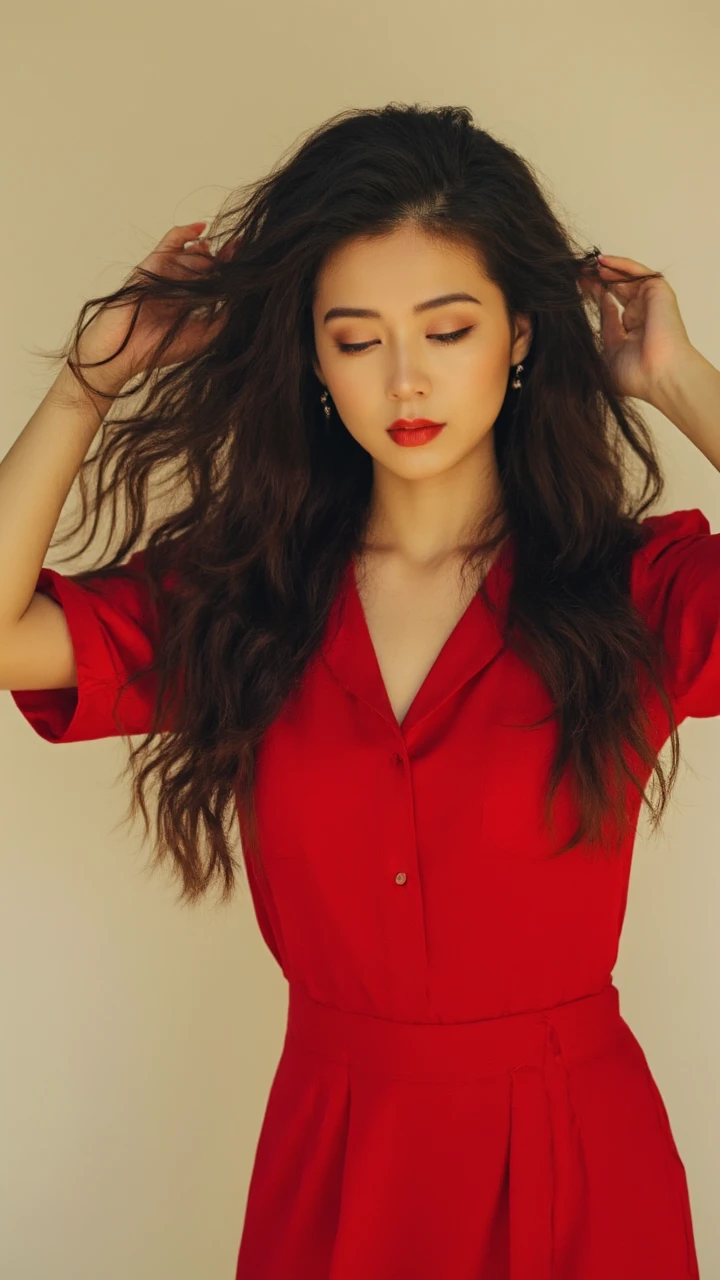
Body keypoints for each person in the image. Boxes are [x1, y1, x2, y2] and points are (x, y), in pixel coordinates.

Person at [2, 102, 717, 1279]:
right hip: (333, 1165)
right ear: (311, 356)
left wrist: (679, 377)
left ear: (522, 335)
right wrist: (92, 380)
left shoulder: (627, 592)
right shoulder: (242, 599)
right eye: (354, 336)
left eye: (447, 328)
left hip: (579, 1166)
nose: (404, 377)